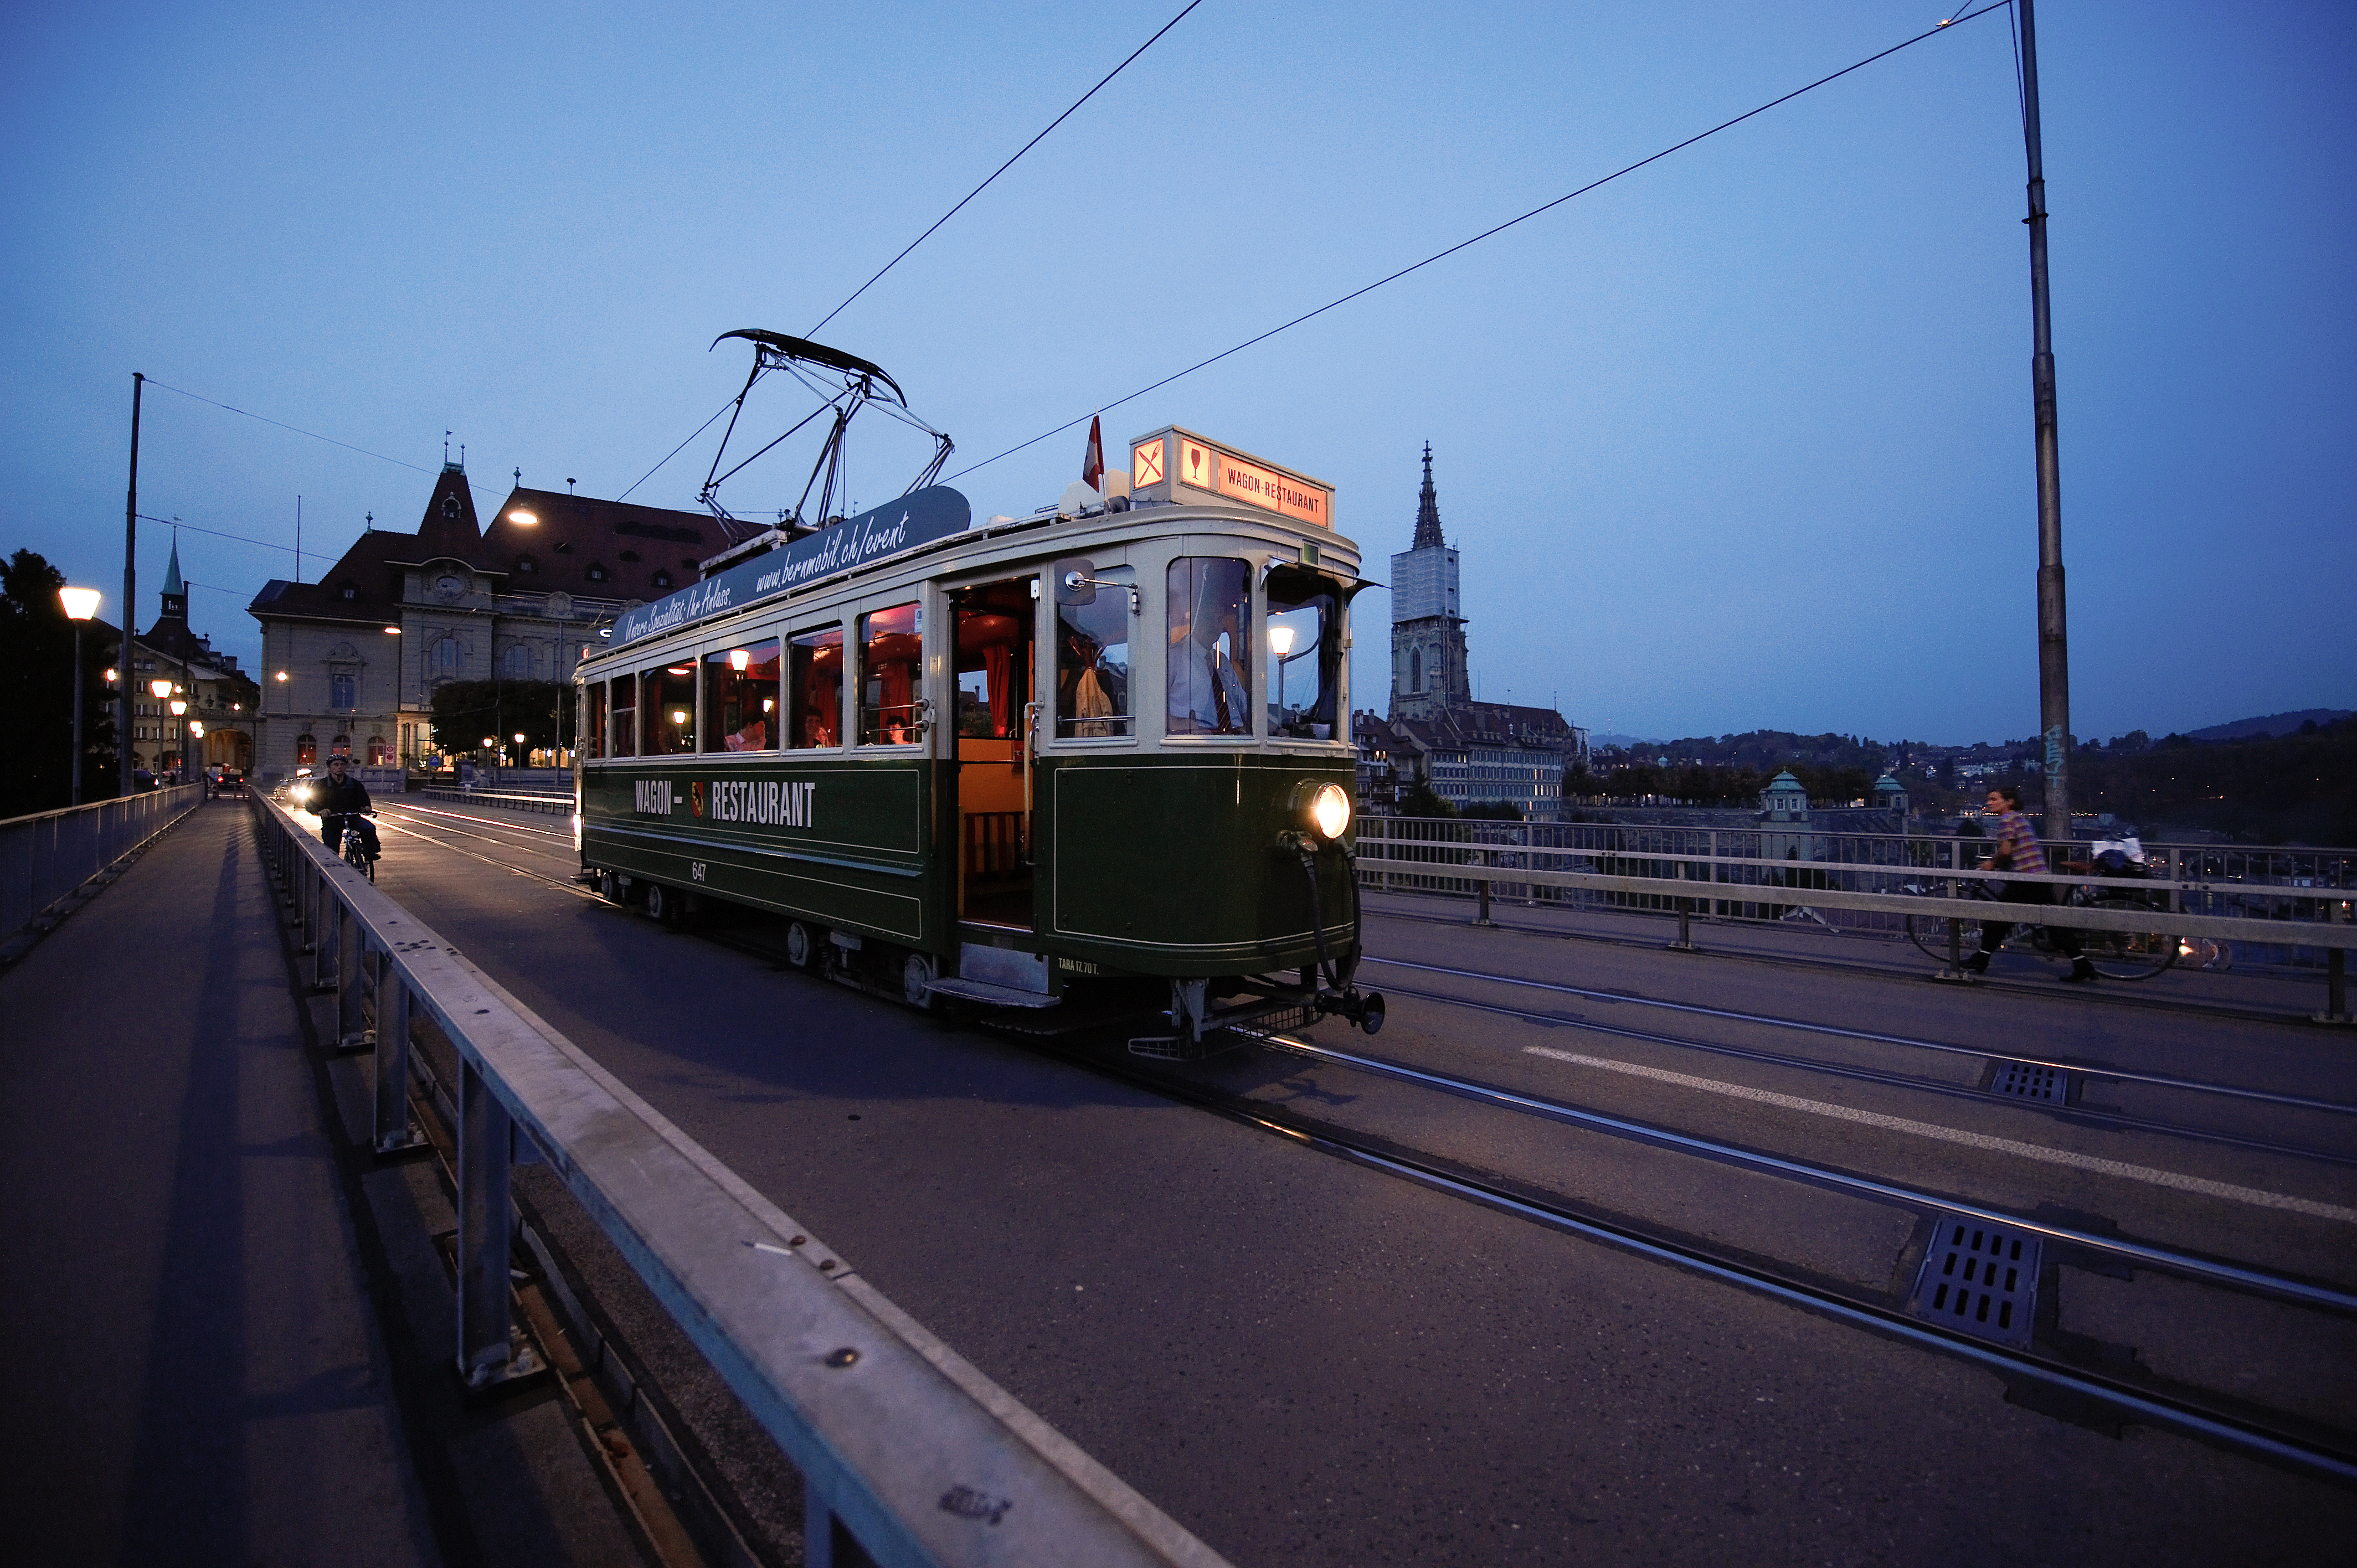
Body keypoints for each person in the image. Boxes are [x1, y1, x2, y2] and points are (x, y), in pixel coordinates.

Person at [1966, 783, 2091, 982]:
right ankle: (2082, 964)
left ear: (2009, 802)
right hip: (2036, 877)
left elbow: (2006, 851)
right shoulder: (2019, 819)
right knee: (2051, 925)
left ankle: (1981, 959)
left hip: (2026, 879)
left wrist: (1992, 863)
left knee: (1997, 922)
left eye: (1994, 799)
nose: (1988, 803)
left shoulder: (2007, 820)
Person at [313, 754, 381, 861]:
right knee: (331, 852)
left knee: (369, 828)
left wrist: (366, 807)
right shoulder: (321, 785)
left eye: (342, 765)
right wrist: (320, 810)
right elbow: (312, 802)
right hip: (332, 821)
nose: (339, 767)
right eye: (336, 765)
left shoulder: (355, 784)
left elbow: (364, 799)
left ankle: (370, 853)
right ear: (329, 768)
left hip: (353, 818)